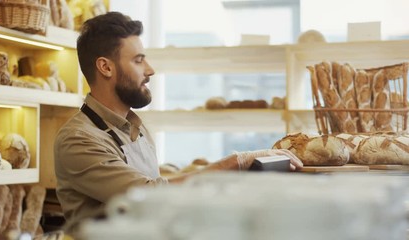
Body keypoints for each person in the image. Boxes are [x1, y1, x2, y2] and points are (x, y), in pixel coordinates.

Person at [53, 11, 303, 234]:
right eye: (138, 60)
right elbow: (149, 195)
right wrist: (236, 161)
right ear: (105, 67)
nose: (150, 70)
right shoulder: (79, 139)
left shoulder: (136, 129)